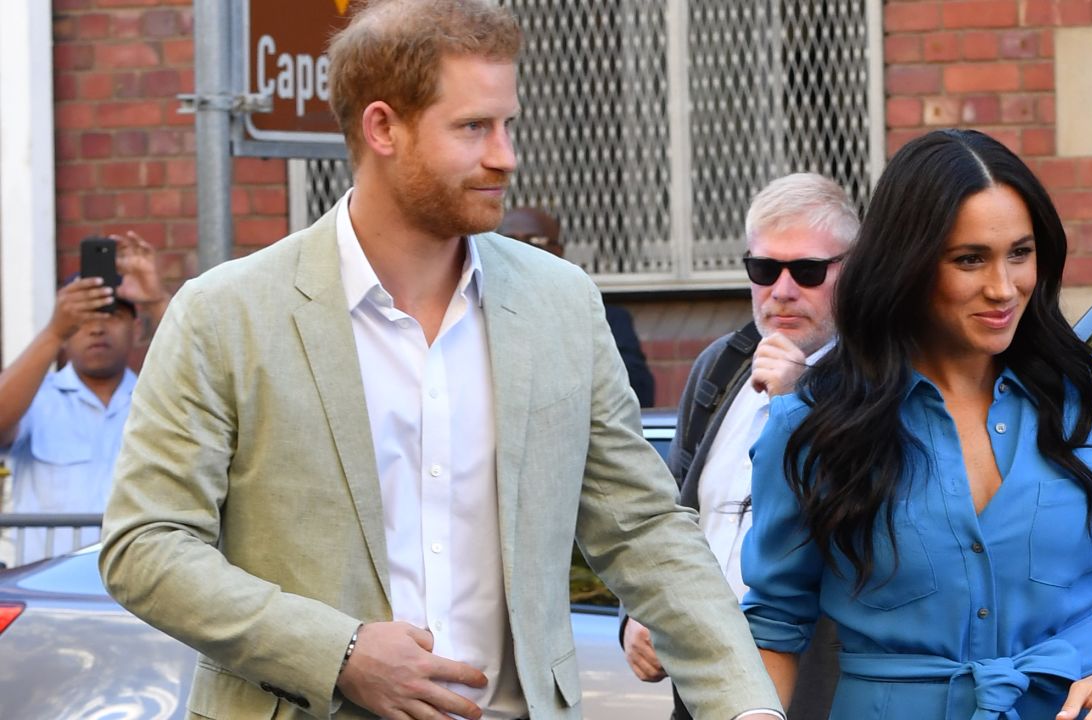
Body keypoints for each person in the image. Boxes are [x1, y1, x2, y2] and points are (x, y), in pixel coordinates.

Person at [98, 2, 782, 719]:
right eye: (473, 128)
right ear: (382, 127)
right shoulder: (226, 313)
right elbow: (147, 544)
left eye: (507, 124)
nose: (505, 155)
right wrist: (338, 651)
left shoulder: (561, 305)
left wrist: (744, 705)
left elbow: (641, 526)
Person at [741, 129, 1092, 720]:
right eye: (969, 259)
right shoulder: (810, 424)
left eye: (1020, 254)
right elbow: (775, 622)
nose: (1004, 288)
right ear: (909, 265)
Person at [619, 173, 854, 719]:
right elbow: (668, 516)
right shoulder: (721, 365)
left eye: (809, 271)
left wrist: (799, 401)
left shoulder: (881, 380)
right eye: (765, 269)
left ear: (853, 271)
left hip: (816, 696)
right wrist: (641, 614)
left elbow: (863, 528)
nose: (783, 290)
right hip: (706, 691)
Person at [0, 232, 168, 566]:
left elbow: (213, 382)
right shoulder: (37, 398)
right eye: (83, 319)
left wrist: (157, 301)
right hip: (51, 592)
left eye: (111, 315)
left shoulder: (161, 400)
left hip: (143, 592)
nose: (96, 329)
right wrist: (53, 331)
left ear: (136, 329)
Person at [497, 206, 656, 406]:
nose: (520, 250)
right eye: (509, 241)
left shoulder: (604, 318)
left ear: (558, 251)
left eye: (535, 242)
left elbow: (638, 394)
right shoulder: (473, 312)